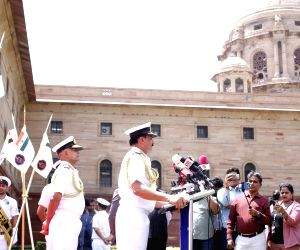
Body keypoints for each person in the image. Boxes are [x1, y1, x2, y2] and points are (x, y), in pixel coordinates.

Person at [116, 122, 188, 250]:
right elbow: (137, 189)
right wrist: (169, 198)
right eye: (150, 138)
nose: (153, 143)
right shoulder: (135, 157)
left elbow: (146, 198)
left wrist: (170, 203)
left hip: (138, 215)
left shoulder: (141, 157)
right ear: (141, 139)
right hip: (133, 217)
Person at [41, 136, 85, 250]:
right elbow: (56, 197)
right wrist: (48, 222)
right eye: (74, 150)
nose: (77, 153)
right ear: (65, 152)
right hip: (63, 222)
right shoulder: (63, 170)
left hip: (70, 222)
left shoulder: (70, 171)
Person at [227, 171, 271, 250]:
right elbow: (230, 221)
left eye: (255, 181)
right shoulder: (237, 199)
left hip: (258, 239)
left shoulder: (264, 200)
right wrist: (229, 238)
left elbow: (268, 221)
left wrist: (258, 214)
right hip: (241, 239)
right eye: (250, 181)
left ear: (260, 185)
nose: (252, 183)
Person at [216, 167, 243, 250]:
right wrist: (226, 187)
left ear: (239, 178)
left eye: (234, 176)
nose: (232, 179)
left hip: (240, 229)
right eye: (229, 177)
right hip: (225, 229)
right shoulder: (221, 191)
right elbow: (225, 203)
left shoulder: (243, 191)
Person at [268, 183, 300, 250]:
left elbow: (292, 222)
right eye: (282, 193)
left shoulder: (296, 206)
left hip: (289, 245)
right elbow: (270, 221)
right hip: (274, 244)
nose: (284, 194)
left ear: (292, 193)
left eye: (286, 193)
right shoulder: (277, 204)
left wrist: (283, 212)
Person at [0, 176, 19, 250]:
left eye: (3, 186)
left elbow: (15, 219)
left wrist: (13, 233)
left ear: (7, 188)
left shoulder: (12, 201)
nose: (1, 187)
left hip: (5, 235)